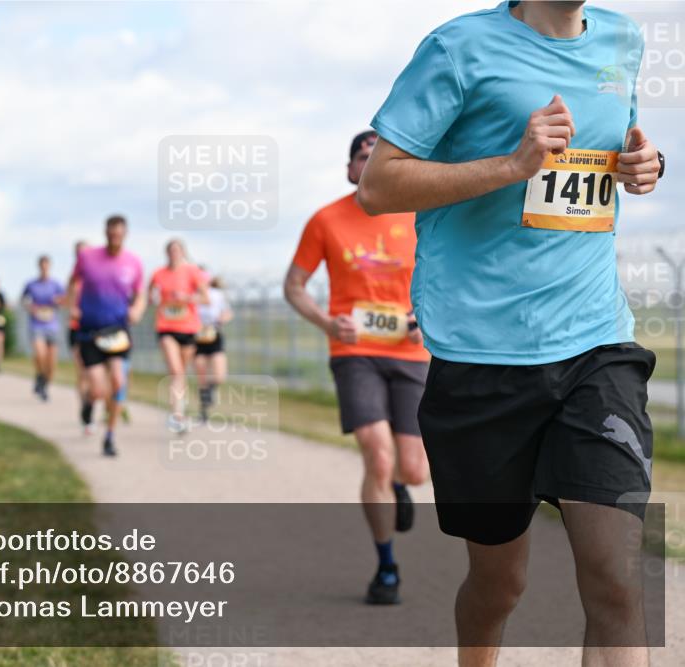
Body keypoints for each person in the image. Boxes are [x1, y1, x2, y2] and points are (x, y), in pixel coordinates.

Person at [358, 2, 664, 663]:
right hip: (482, 356)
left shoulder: (623, 39)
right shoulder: (457, 48)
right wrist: (513, 164)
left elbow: (613, 147)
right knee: (500, 583)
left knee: (616, 577)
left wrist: (643, 166)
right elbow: (379, 186)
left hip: (595, 344)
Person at [284, 130, 429, 605]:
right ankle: (387, 567)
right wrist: (327, 322)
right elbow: (295, 287)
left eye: (381, 156)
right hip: (354, 353)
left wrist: (425, 319)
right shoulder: (326, 219)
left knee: (414, 469)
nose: (371, 163)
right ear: (350, 169)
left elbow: (447, 279)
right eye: (363, 156)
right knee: (378, 455)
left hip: (410, 355)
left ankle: (395, 489)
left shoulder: (420, 217)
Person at [68, 215, 146, 456]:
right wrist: (72, 304)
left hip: (118, 331)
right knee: (99, 390)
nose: (115, 238)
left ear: (125, 234)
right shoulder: (87, 257)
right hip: (90, 332)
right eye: (111, 234)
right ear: (105, 233)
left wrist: (137, 310)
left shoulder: (133, 262)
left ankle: (110, 436)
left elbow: (140, 293)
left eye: (119, 234)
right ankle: (89, 403)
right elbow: (72, 282)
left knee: (118, 382)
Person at [149, 239, 209, 433]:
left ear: (183, 252)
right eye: (171, 250)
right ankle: (177, 415)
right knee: (176, 371)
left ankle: (179, 409)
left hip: (188, 328)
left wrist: (187, 298)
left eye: (177, 250)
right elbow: (150, 295)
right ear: (166, 253)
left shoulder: (193, 271)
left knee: (181, 373)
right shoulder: (158, 274)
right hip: (166, 327)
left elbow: (205, 298)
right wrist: (154, 298)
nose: (174, 253)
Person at [22, 256, 65, 401]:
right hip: (36, 324)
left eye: (47, 265)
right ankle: (40, 376)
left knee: (51, 362)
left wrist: (58, 301)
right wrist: (31, 308)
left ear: (50, 266)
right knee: (40, 355)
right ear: (39, 266)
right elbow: (24, 300)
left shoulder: (56, 284)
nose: (44, 268)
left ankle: (44, 385)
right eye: (42, 265)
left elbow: (65, 300)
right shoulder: (31, 284)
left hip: (52, 325)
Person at [194, 275, 232, 422]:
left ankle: (212, 389)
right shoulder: (192, 295)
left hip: (214, 334)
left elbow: (227, 312)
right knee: (201, 373)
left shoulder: (217, 295)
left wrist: (222, 319)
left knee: (219, 375)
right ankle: (203, 409)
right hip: (198, 336)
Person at [66, 241, 95, 432]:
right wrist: (72, 308)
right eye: (79, 254)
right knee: (83, 372)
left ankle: (99, 402)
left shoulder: (98, 276)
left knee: (102, 374)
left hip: (99, 328)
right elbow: (67, 301)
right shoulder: (74, 279)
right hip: (78, 329)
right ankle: (86, 409)